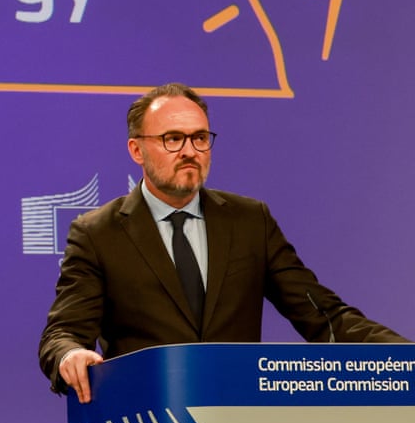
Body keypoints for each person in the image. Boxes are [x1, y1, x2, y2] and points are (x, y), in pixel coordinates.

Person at [39, 82, 406, 402]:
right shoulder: (98, 232)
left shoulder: (249, 221)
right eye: (172, 139)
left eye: (200, 138)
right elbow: (64, 332)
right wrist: (70, 354)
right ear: (137, 150)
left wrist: (403, 357)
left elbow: (323, 315)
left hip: (240, 421)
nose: (190, 151)